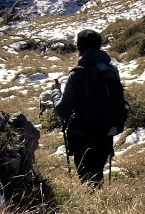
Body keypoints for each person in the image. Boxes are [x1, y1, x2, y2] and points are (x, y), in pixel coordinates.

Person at [53, 29, 128, 185]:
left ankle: (92, 206)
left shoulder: (78, 74)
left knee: (86, 178)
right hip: (107, 132)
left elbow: (62, 110)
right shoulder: (112, 70)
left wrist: (55, 93)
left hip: (83, 134)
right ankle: (99, 204)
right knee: (97, 174)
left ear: (80, 47)